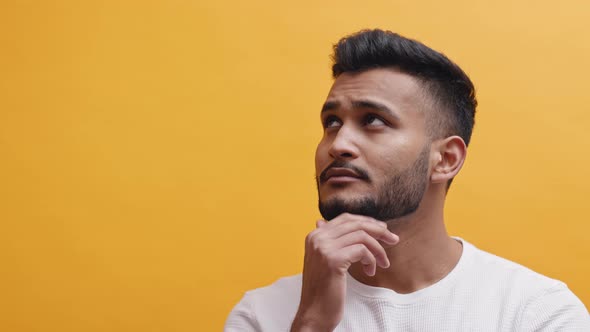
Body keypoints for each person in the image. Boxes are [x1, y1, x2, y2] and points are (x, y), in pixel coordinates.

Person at [224, 29, 590, 331]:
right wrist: (312, 324)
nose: (338, 144)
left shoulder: (535, 313)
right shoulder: (262, 316)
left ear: (445, 159)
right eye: (332, 122)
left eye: (373, 120)